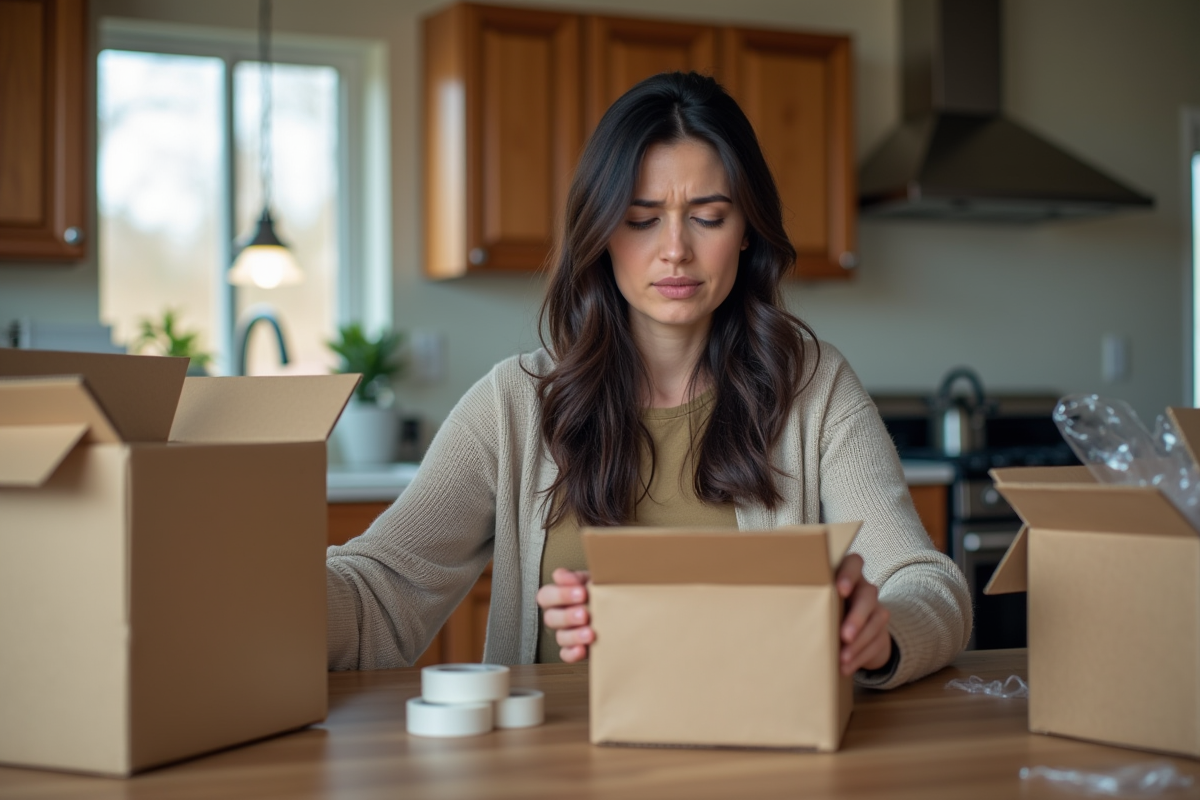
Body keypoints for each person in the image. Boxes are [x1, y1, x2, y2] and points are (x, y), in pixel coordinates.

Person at [326, 71, 971, 688]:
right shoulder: (513, 405)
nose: (675, 250)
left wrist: (877, 631)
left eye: (709, 217)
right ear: (602, 232)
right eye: (641, 219)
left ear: (747, 230)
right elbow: (380, 594)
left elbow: (926, 584)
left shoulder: (814, 389)